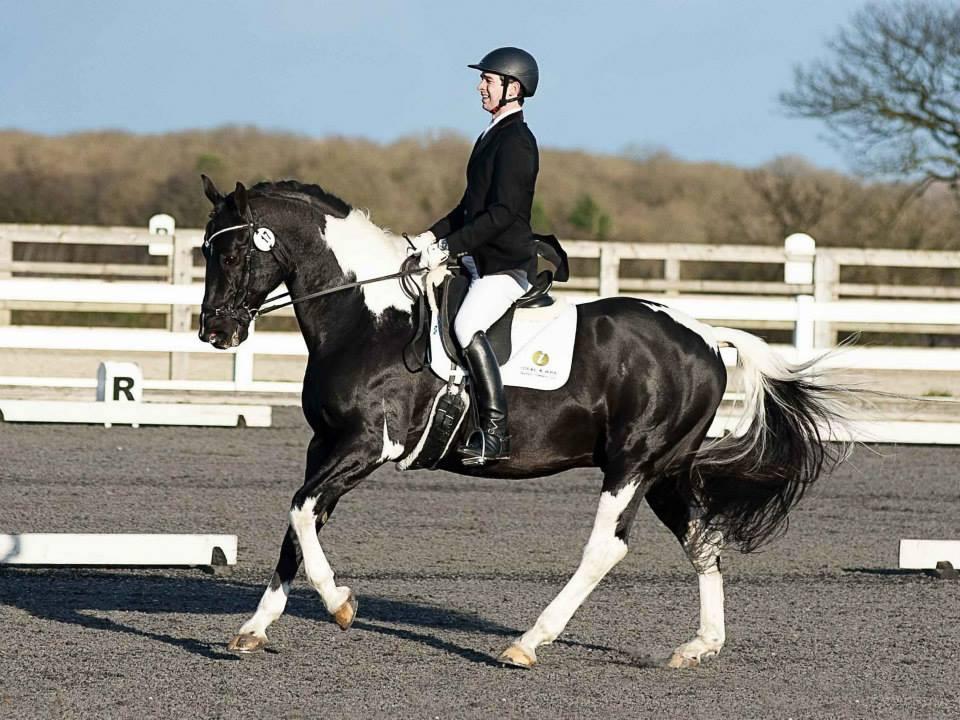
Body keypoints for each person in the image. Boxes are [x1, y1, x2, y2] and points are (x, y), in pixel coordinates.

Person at [411, 46, 541, 466]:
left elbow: (502, 215)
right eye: (482, 79)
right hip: (478, 261)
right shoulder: (490, 135)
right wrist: (425, 239)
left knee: (467, 325)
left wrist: (449, 248)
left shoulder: (518, 142)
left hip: (506, 266)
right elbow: (469, 208)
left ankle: (494, 432)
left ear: (512, 88)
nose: (480, 86)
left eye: (488, 79)